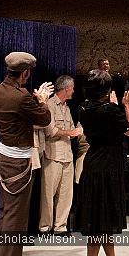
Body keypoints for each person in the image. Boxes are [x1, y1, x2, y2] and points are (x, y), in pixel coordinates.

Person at [0, 52, 53, 256]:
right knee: (15, 217)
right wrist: (42, 101)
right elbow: (44, 119)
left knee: (6, 212)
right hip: (18, 161)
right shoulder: (21, 96)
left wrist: (33, 100)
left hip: (3, 157)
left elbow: (19, 113)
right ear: (25, 72)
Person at [75, 69, 129, 256]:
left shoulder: (82, 108)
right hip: (109, 168)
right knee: (106, 221)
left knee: (96, 222)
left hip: (92, 165)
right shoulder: (110, 111)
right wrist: (125, 106)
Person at [39, 75, 83, 237]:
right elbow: (50, 131)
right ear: (66, 88)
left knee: (66, 195)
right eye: (72, 88)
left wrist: (75, 132)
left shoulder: (66, 107)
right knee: (48, 194)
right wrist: (70, 132)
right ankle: (45, 227)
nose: (73, 90)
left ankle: (60, 227)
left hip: (67, 156)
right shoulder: (49, 105)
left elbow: (72, 129)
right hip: (53, 156)